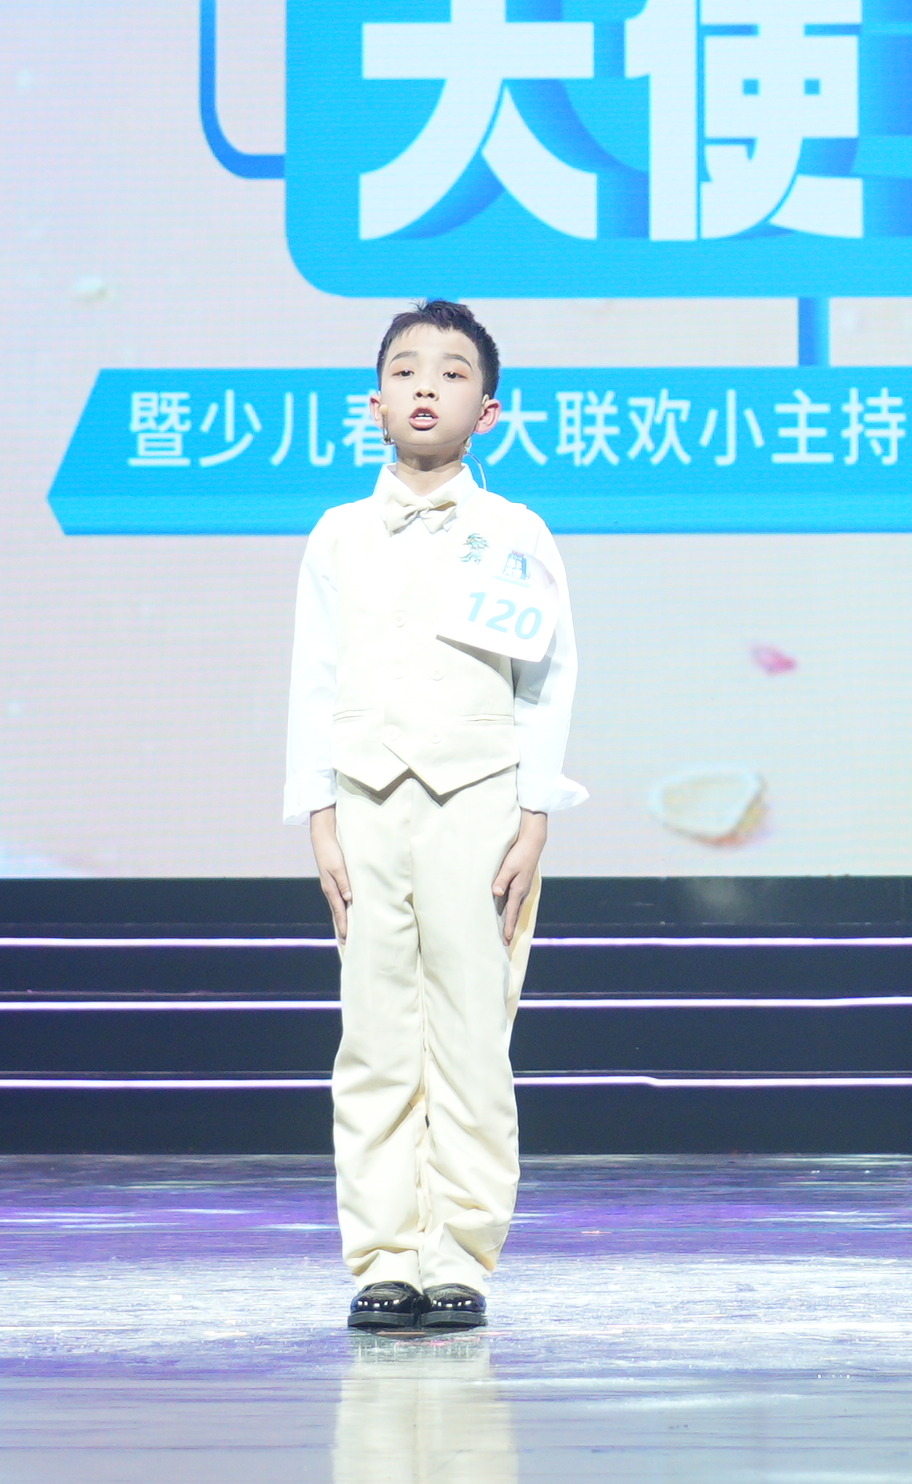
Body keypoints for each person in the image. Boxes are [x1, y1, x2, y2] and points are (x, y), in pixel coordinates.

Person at [285, 299, 582, 1332]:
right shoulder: (336, 534)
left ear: (488, 411)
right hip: (366, 797)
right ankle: (383, 1255)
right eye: (405, 369)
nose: (426, 386)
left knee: (470, 1031)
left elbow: (547, 679)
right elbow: (314, 679)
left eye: (452, 372)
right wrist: (318, 810)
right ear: (373, 401)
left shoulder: (515, 532)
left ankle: (459, 1251)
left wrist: (534, 812)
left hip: (480, 800)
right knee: (373, 1034)